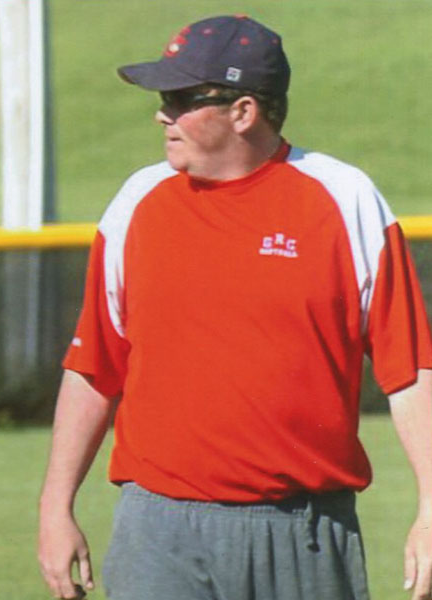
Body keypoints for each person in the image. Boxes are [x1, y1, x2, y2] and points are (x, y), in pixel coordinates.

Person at [38, 15, 432, 600]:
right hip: (158, 530)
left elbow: (411, 372)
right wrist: (55, 506)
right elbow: (94, 366)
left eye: (180, 98)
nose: (161, 114)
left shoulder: (344, 199)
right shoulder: (136, 204)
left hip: (304, 530)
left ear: (244, 111)